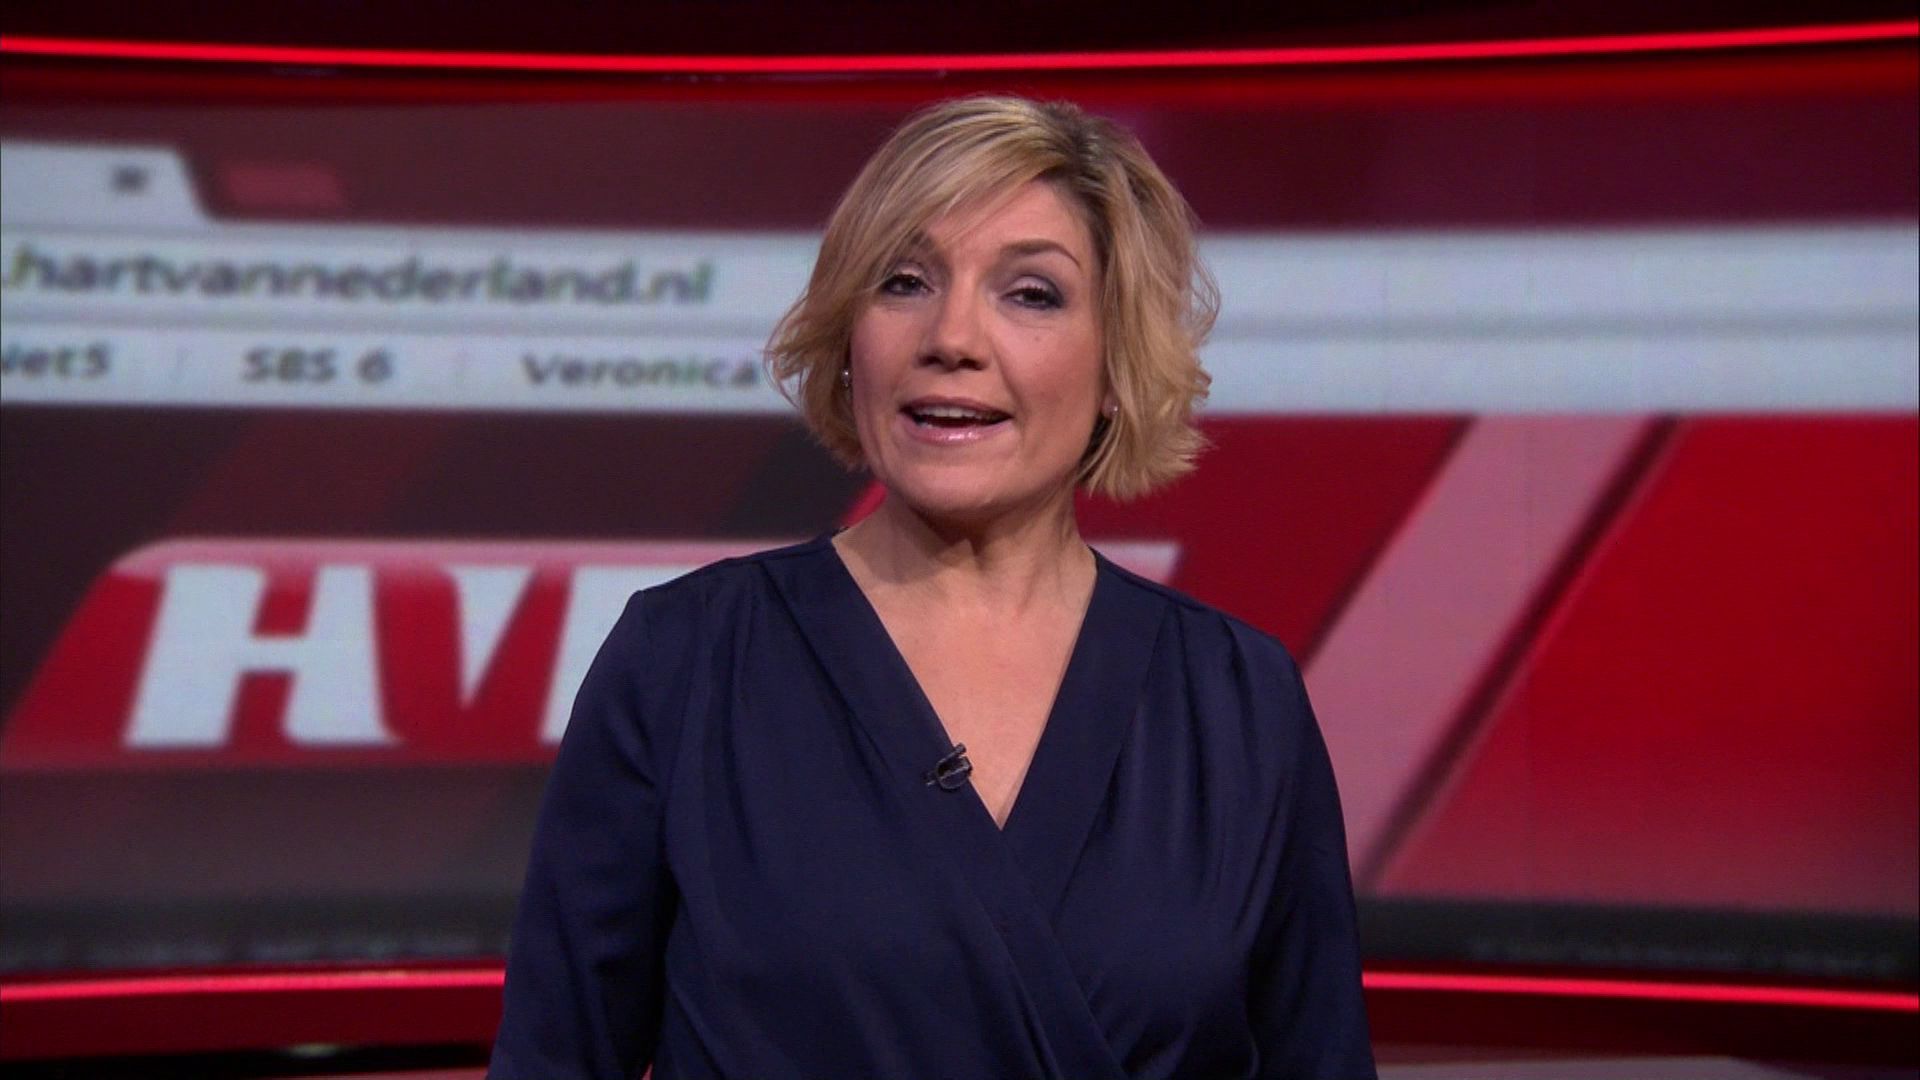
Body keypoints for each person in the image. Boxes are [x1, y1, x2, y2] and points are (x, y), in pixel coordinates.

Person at [489, 95, 1376, 1079]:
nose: (951, 337)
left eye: (1031, 293)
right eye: (903, 282)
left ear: (1117, 362)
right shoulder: (684, 662)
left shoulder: (1237, 701)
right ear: (849, 340)